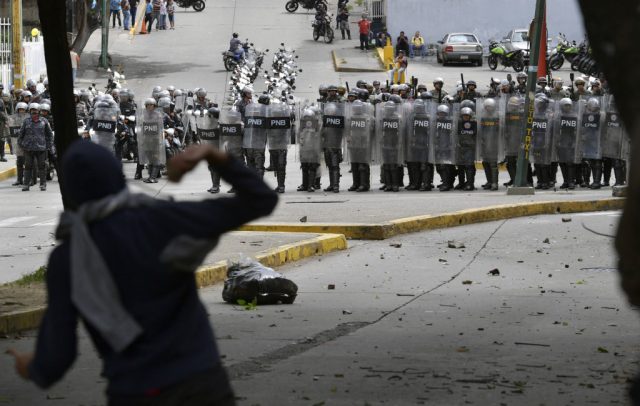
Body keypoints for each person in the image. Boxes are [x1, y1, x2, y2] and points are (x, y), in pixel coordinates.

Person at [6, 141, 278, 406]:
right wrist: (214, 155)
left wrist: (33, 367)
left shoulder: (68, 258)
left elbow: (57, 356)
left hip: (134, 392)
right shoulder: (162, 219)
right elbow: (261, 199)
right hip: (200, 382)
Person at [18, 103, 53, 192]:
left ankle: (43, 184)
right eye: (32, 110)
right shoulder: (26, 121)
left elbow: (49, 134)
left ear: (39, 111)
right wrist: (21, 144)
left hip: (41, 148)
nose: (34, 112)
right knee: (28, 166)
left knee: (42, 166)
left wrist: (48, 145)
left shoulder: (44, 121)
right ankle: (26, 185)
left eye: (36, 110)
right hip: (28, 148)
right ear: (30, 111)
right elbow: (21, 134)